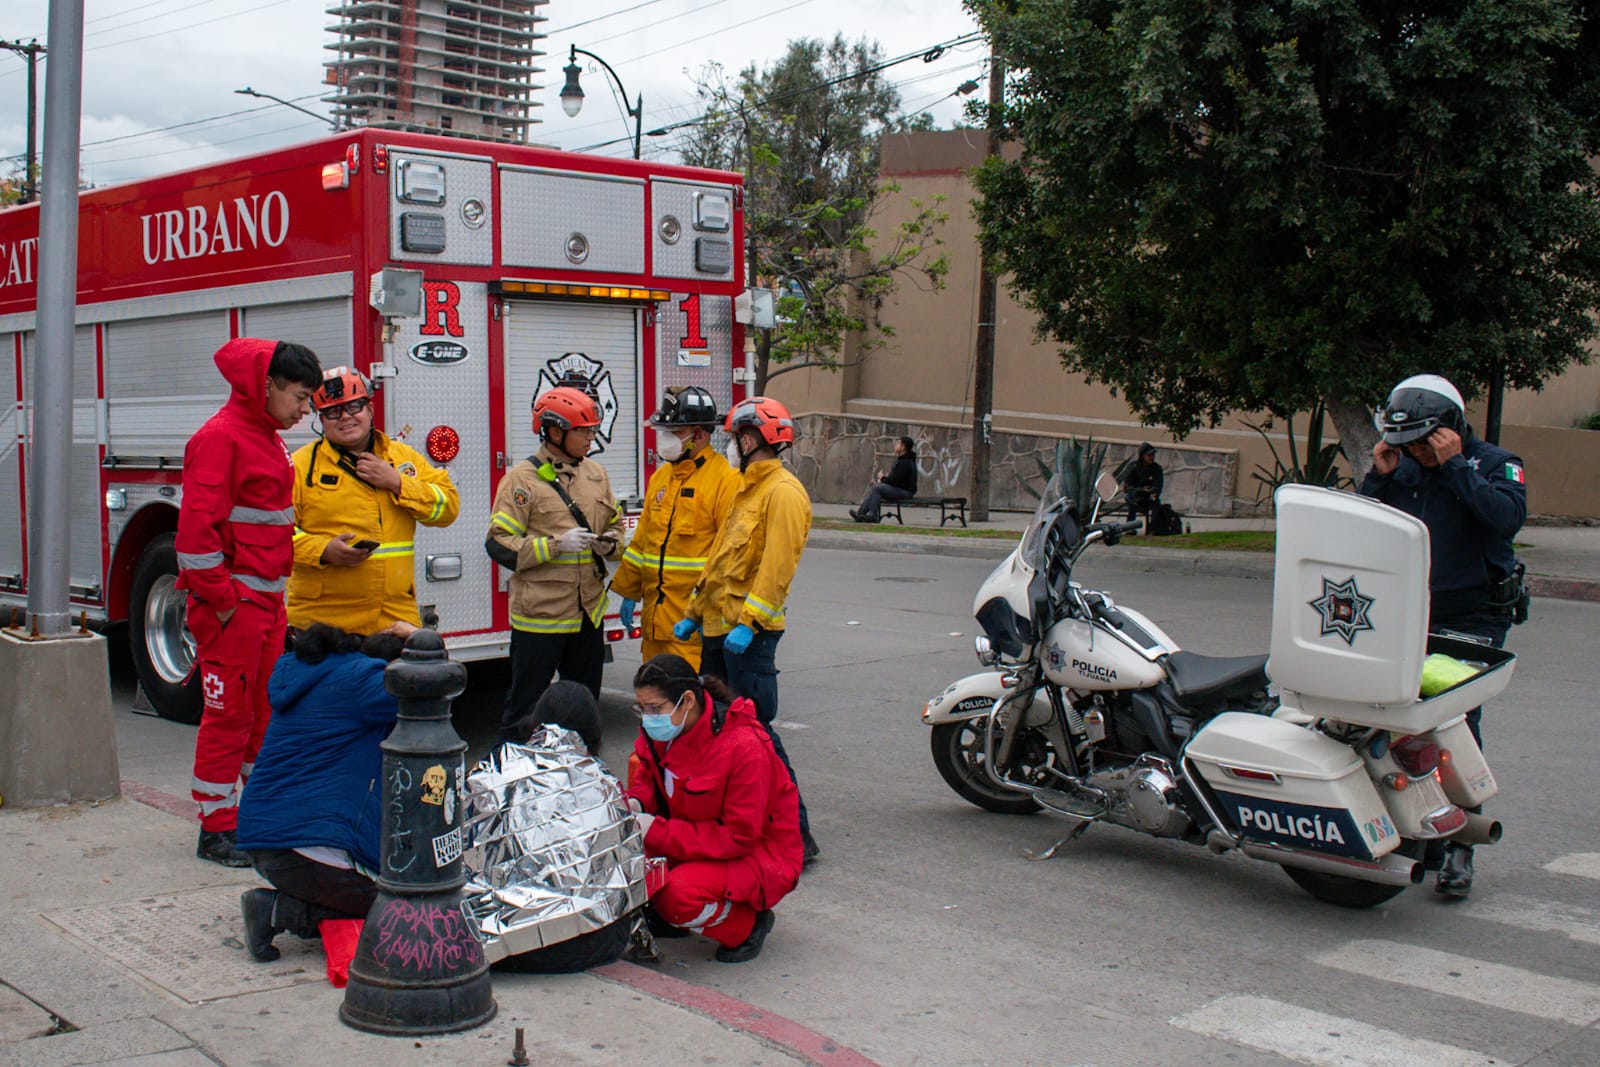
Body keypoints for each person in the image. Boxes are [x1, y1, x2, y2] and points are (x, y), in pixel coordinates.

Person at [1360, 372, 1527, 900]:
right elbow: (1369, 528)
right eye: (1407, 445)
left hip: (1473, 615)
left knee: (1455, 727)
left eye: (1423, 443)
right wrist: (1381, 478)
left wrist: (1454, 465)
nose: (1416, 455)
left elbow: (1506, 519)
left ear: (1450, 428)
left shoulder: (1495, 464)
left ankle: (1462, 846)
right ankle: (1418, 830)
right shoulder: (1404, 469)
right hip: (1411, 612)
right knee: (1394, 719)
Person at [177, 338, 321, 867]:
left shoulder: (262, 436)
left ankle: (254, 816)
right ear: (267, 386)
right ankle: (216, 828)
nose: (306, 410)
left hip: (261, 602)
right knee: (228, 716)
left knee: (261, 712)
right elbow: (194, 539)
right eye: (301, 397)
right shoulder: (222, 438)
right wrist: (224, 604)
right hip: (237, 606)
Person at [672, 396, 819, 864]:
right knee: (718, 732)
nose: (730, 445)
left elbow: (777, 568)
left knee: (757, 735)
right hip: (718, 628)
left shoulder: (784, 492)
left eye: (734, 437)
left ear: (751, 438)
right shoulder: (746, 489)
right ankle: (734, 825)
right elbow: (721, 560)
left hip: (746, 637)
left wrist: (751, 623)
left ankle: (798, 835)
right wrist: (695, 611)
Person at [235, 622, 410, 961]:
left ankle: (295, 902)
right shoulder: (363, 683)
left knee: (384, 897)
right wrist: (422, 638)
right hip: (301, 847)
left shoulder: (318, 675)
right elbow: (432, 683)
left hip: (267, 839)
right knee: (409, 911)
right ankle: (277, 911)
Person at [624, 654, 801, 963]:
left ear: (687, 700)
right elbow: (649, 781)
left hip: (757, 852)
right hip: (695, 837)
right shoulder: (666, 733)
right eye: (642, 708)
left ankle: (746, 926)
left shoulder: (743, 748)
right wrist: (636, 804)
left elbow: (739, 836)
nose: (648, 718)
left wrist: (654, 830)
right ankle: (677, 914)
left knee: (678, 897)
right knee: (625, 870)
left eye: (655, 709)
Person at [485, 385, 624, 743]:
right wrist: (553, 547)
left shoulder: (595, 474)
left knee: (585, 708)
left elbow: (615, 524)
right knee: (525, 709)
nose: (591, 437)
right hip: (541, 618)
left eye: (593, 429)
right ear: (555, 430)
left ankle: (584, 780)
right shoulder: (522, 480)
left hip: (587, 613)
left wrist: (610, 545)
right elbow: (499, 544)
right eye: (585, 430)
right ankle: (511, 779)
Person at [287, 366, 460, 635]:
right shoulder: (299, 467)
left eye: (354, 406)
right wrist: (322, 550)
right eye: (333, 411)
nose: (345, 417)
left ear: (370, 409)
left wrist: (398, 483)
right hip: (322, 625)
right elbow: (273, 534)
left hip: (393, 620)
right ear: (320, 420)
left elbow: (447, 508)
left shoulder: (402, 459)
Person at [611, 386, 741, 669]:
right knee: (656, 700)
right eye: (664, 430)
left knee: (689, 706)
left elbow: (730, 556)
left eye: (675, 431)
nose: (665, 438)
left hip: (692, 627)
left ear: (700, 434)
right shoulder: (661, 478)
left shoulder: (725, 481)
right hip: (655, 624)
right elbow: (642, 542)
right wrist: (630, 591)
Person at [850, 435, 918, 523]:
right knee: (875, 490)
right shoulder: (903, 460)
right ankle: (860, 515)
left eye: (898, 443)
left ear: (903, 447)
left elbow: (895, 481)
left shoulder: (905, 462)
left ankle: (873, 516)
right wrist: (888, 477)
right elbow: (896, 478)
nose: (895, 445)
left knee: (877, 489)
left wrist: (883, 478)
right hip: (902, 489)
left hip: (905, 492)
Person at [1123, 443, 1163, 528]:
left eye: (1153, 455)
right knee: (1132, 499)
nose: (1151, 457)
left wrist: (1155, 492)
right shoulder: (1133, 467)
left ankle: (1153, 528)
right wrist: (1141, 489)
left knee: (1156, 502)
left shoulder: (1156, 468)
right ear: (1142, 456)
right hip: (1135, 495)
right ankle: (1130, 527)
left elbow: (1159, 484)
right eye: (1149, 455)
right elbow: (1127, 487)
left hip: (1148, 497)